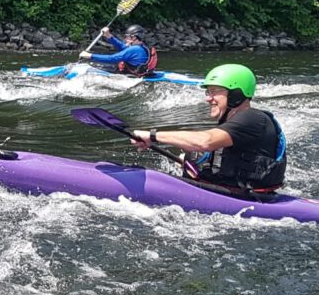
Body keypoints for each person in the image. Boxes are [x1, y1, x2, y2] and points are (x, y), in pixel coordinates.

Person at [131, 63, 287, 193]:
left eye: (215, 92)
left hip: (247, 199)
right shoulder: (234, 123)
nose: (208, 98)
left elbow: (205, 141)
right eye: (208, 91)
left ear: (236, 95)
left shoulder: (252, 118)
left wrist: (152, 136)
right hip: (227, 190)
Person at [78, 24, 157, 76]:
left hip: (133, 74)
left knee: (93, 65)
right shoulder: (140, 47)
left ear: (135, 37)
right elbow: (122, 47)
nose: (126, 39)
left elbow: (112, 58)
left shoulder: (134, 49)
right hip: (139, 72)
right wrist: (109, 36)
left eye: (128, 37)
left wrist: (90, 56)